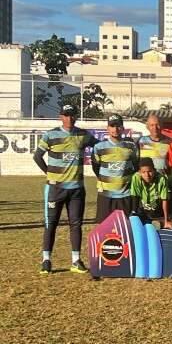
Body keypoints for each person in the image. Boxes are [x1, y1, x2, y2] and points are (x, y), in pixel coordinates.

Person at [33, 104, 98, 274]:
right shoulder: (50, 135)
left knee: (75, 225)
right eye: (66, 115)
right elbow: (37, 156)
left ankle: (76, 261)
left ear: (76, 116)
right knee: (51, 224)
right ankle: (46, 260)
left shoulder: (83, 135)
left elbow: (99, 147)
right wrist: (48, 173)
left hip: (76, 189)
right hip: (55, 189)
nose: (69, 118)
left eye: (72, 115)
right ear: (61, 117)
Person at [92, 114, 138, 224]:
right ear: (107, 128)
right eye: (112, 126)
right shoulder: (99, 147)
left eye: (118, 126)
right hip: (106, 195)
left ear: (122, 128)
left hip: (125, 195)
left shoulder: (131, 146)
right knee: (105, 228)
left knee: (125, 228)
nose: (115, 129)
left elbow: (135, 166)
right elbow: (95, 167)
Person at [131, 157, 171, 228]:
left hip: (157, 213)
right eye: (144, 172)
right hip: (143, 212)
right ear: (140, 172)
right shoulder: (136, 178)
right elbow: (135, 196)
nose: (147, 175)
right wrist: (134, 213)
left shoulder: (161, 179)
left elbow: (164, 200)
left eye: (150, 171)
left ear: (154, 170)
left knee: (158, 226)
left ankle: (157, 222)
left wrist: (166, 220)